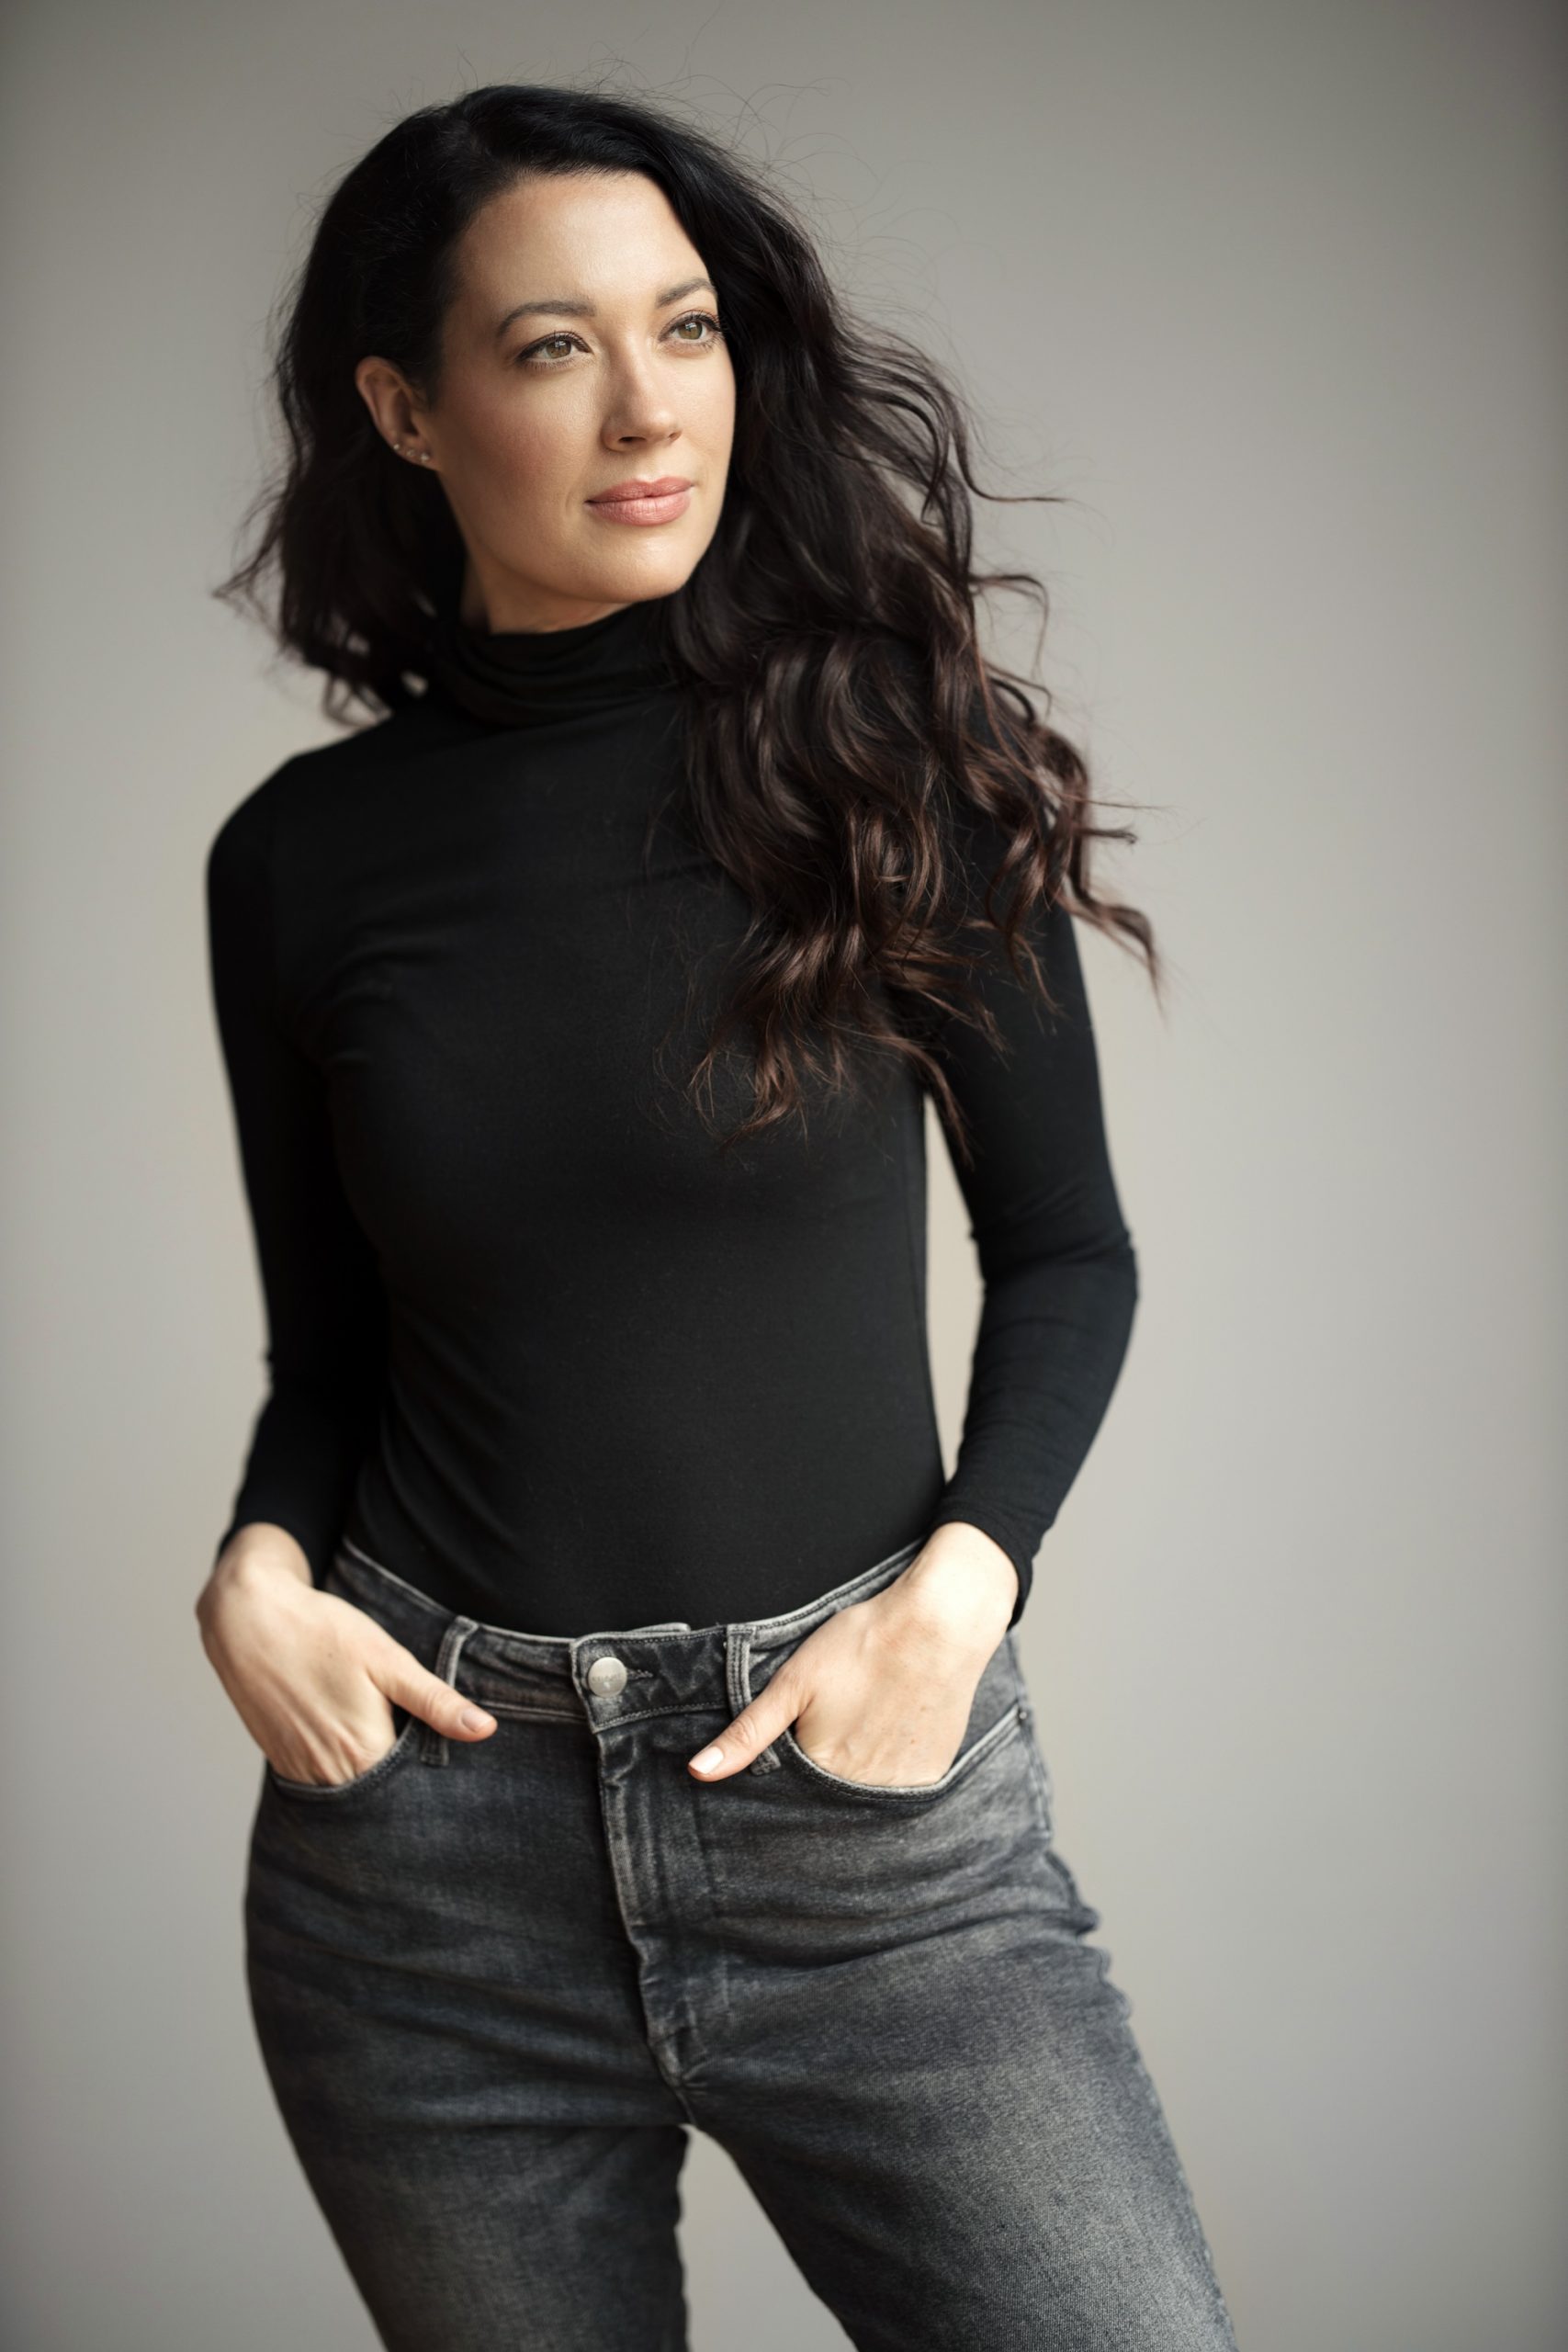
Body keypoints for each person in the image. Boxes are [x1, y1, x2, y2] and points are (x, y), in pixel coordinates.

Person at [194, 81, 1240, 2352]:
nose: (649, 405)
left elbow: (1067, 1249)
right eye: (551, 346)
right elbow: (339, 1357)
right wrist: (256, 1566)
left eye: (681, 328)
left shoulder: (890, 767)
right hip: (428, 1870)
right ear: (406, 407)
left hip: (858, 1822)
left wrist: (958, 1593)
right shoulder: (298, 860)